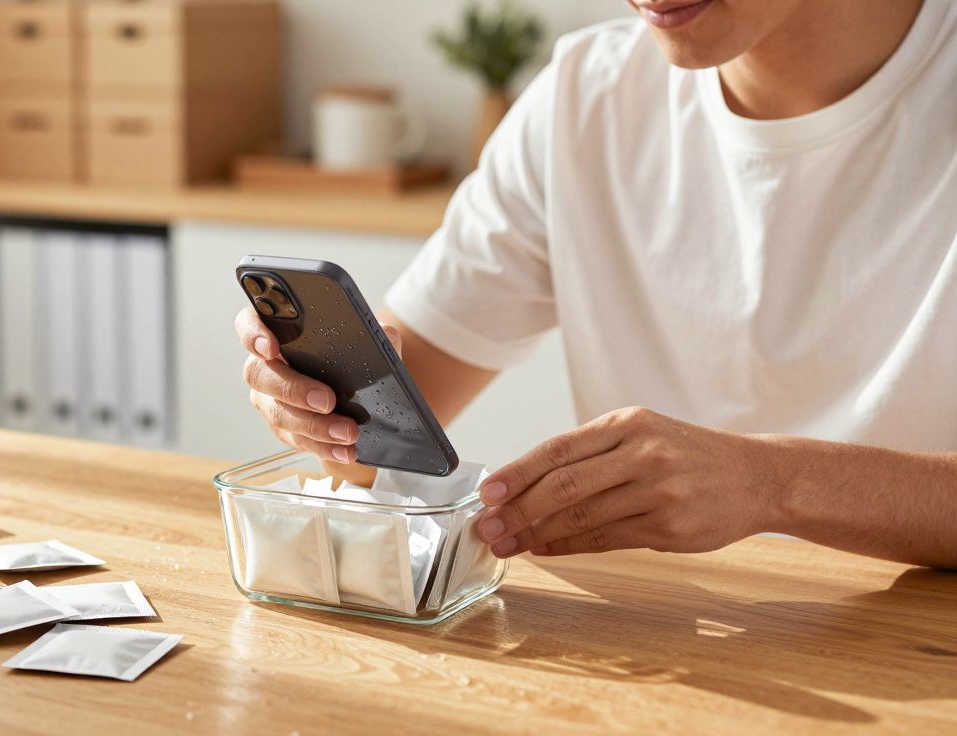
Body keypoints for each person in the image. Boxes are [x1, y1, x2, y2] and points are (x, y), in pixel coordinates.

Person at [234, 0, 957, 568]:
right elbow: (383, 433)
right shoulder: (584, 97)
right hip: (662, 640)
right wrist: (321, 407)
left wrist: (771, 484)